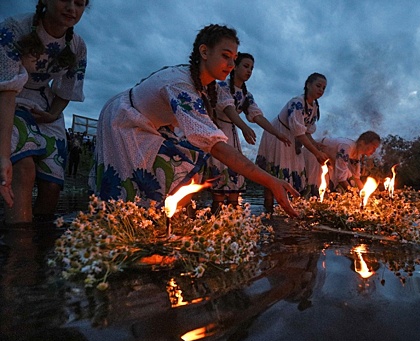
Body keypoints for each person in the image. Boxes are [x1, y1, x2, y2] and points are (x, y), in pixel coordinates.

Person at [88, 24, 298, 217]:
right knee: (129, 185)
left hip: (155, 125)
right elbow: (214, 145)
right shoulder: (181, 84)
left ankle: (165, 224)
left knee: (185, 166)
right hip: (125, 120)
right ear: (204, 52)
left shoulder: (206, 86)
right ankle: (124, 229)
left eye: (234, 59)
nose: (231, 65)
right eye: (226, 56)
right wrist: (270, 180)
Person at [0, 0, 89, 225]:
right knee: (23, 169)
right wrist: (2, 155)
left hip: (43, 105)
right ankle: (20, 251)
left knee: (52, 185)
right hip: (9, 98)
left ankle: (42, 245)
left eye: (79, 3)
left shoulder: (77, 46)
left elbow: (67, 89)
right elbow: (7, 89)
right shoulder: (15, 28)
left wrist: (52, 114)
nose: (71, 8)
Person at [208, 52, 291, 213]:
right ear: (235, 67)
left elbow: (258, 116)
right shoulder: (222, 87)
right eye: (246, 66)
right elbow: (229, 109)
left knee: (234, 190)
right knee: (219, 191)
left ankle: (234, 228)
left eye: (251, 68)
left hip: (232, 136)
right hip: (217, 133)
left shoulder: (247, 96)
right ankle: (214, 224)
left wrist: (277, 133)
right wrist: (243, 127)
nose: (249, 71)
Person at [256, 73, 329, 212]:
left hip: (293, 139)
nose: (321, 90)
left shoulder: (314, 107)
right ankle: (269, 211)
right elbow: (298, 131)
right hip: (278, 137)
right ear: (308, 85)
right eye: (318, 86)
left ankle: (288, 210)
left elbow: (306, 131)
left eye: (324, 88)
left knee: (295, 175)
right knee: (274, 175)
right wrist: (316, 153)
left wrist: (315, 145)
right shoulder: (297, 102)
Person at [304, 131, 381, 196]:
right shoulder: (346, 146)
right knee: (315, 188)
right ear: (362, 142)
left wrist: (365, 194)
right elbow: (341, 175)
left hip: (327, 163)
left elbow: (356, 177)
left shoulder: (357, 155)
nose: (374, 151)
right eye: (373, 147)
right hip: (315, 155)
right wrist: (353, 194)